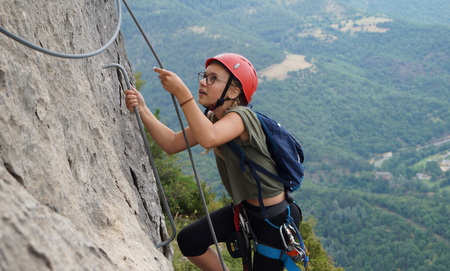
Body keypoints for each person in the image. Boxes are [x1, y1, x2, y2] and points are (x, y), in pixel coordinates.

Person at [124, 53, 302, 271]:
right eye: (204, 76)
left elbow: (209, 138)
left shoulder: (241, 118)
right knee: (190, 240)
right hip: (247, 211)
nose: (202, 82)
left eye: (213, 79)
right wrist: (142, 109)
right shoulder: (213, 120)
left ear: (234, 92)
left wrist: (183, 94)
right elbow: (171, 143)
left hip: (273, 220)